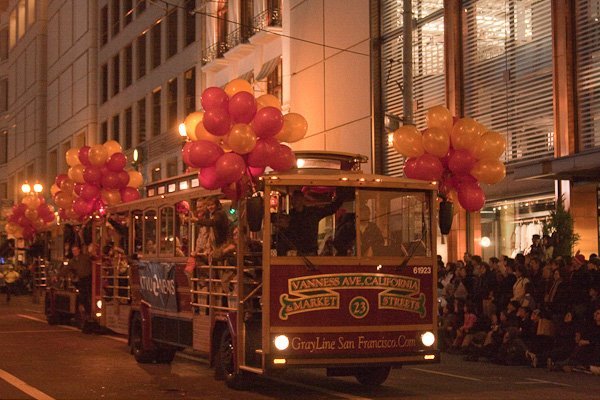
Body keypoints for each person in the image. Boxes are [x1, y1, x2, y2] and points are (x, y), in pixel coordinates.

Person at [279, 189, 348, 256]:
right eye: (293, 199)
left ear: (302, 200)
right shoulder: (291, 216)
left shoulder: (312, 213)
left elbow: (329, 209)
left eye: (297, 199)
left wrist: (341, 198)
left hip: (310, 251)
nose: (294, 201)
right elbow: (285, 234)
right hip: (298, 252)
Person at [68, 245, 92, 321]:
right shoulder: (72, 261)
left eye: (76, 250)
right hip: (81, 280)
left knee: (87, 295)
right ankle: (86, 312)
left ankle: (88, 311)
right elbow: (67, 269)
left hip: (88, 279)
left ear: (79, 250)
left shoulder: (85, 258)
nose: (74, 252)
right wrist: (57, 276)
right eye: (73, 251)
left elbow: (92, 260)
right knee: (83, 296)